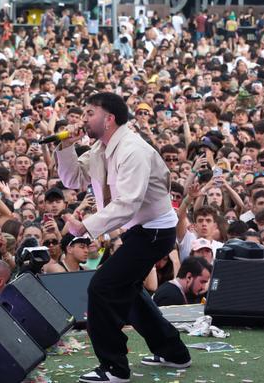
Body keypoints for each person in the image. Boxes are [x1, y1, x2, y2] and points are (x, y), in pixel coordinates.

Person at [58, 92, 191, 383]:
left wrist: (85, 227)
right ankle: (173, 352)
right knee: (128, 291)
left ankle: (114, 369)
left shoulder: (133, 150)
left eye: (90, 112)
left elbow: (128, 202)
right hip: (139, 230)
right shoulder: (100, 148)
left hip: (155, 231)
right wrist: (65, 149)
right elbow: (73, 180)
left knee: (103, 289)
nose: (84, 119)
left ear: (110, 118)